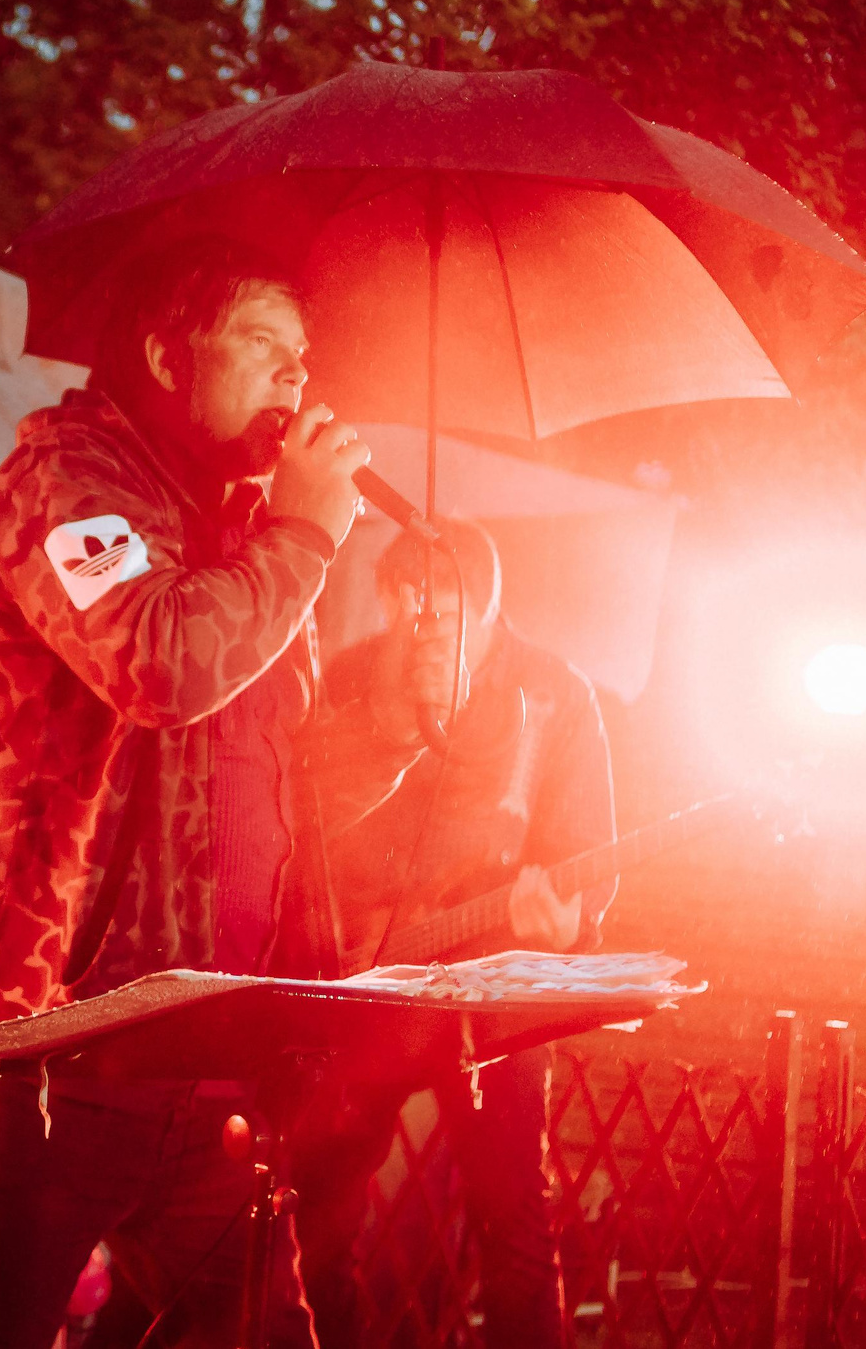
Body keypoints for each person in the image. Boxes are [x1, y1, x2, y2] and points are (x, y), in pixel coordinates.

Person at [0, 239, 374, 1348]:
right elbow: (158, 662)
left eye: (302, 357)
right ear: (168, 355)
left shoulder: (244, 533)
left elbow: (280, 791)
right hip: (27, 1051)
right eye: (262, 346)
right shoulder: (64, 484)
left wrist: (404, 718)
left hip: (195, 1057)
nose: (295, 379)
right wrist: (306, 534)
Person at [287, 520, 616, 1349]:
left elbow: (585, 855)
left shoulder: (555, 692)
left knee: (512, 1215)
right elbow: (309, 826)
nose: (417, 619)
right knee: (319, 1205)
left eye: (435, 600)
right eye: (403, 599)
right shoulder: (360, 670)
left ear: (486, 597)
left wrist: (568, 924)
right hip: (366, 987)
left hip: (492, 988)